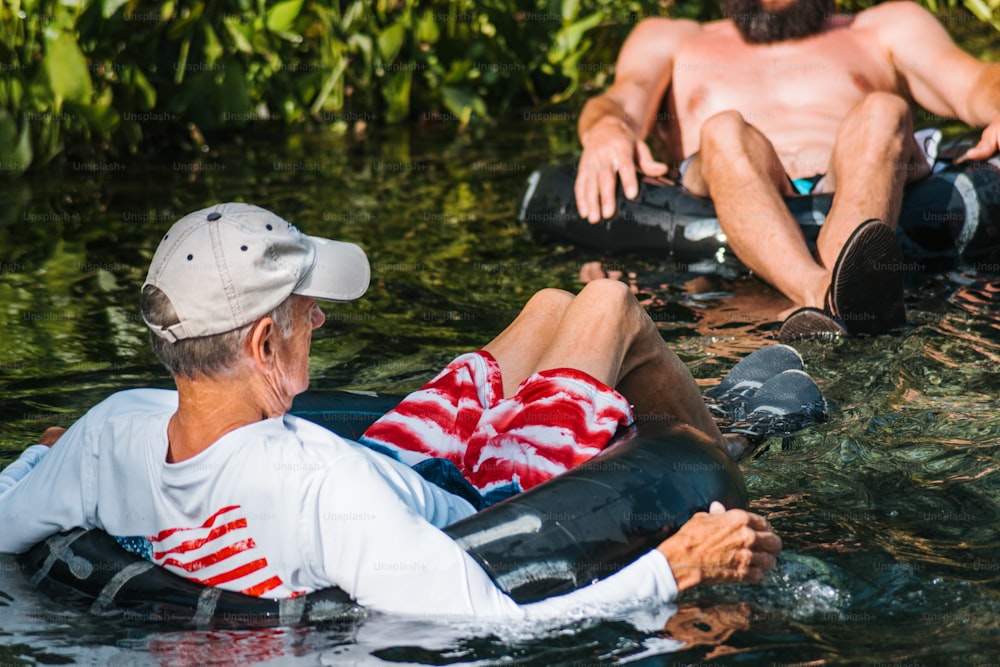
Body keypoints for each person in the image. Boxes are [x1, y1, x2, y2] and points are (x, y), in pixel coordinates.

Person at [0, 203, 783, 619]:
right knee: (609, 302)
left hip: (394, 464)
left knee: (551, 306)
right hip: (486, 498)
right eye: (308, 312)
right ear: (266, 343)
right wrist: (674, 568)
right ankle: (723, 454)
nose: (322, 322)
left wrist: (44, 455)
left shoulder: (109, 434)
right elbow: (495, 622)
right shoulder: (321, 490)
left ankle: (693, 421)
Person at [574, 0, 1000, 337]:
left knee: (883, 110)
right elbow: (619, 100)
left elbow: (975, 82)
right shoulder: (671, 39)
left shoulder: (885, 26)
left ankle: (825, 298)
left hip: (858, 170)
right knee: (723, 129)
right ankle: (830, 293)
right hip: (726, 179)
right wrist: (607, 126)